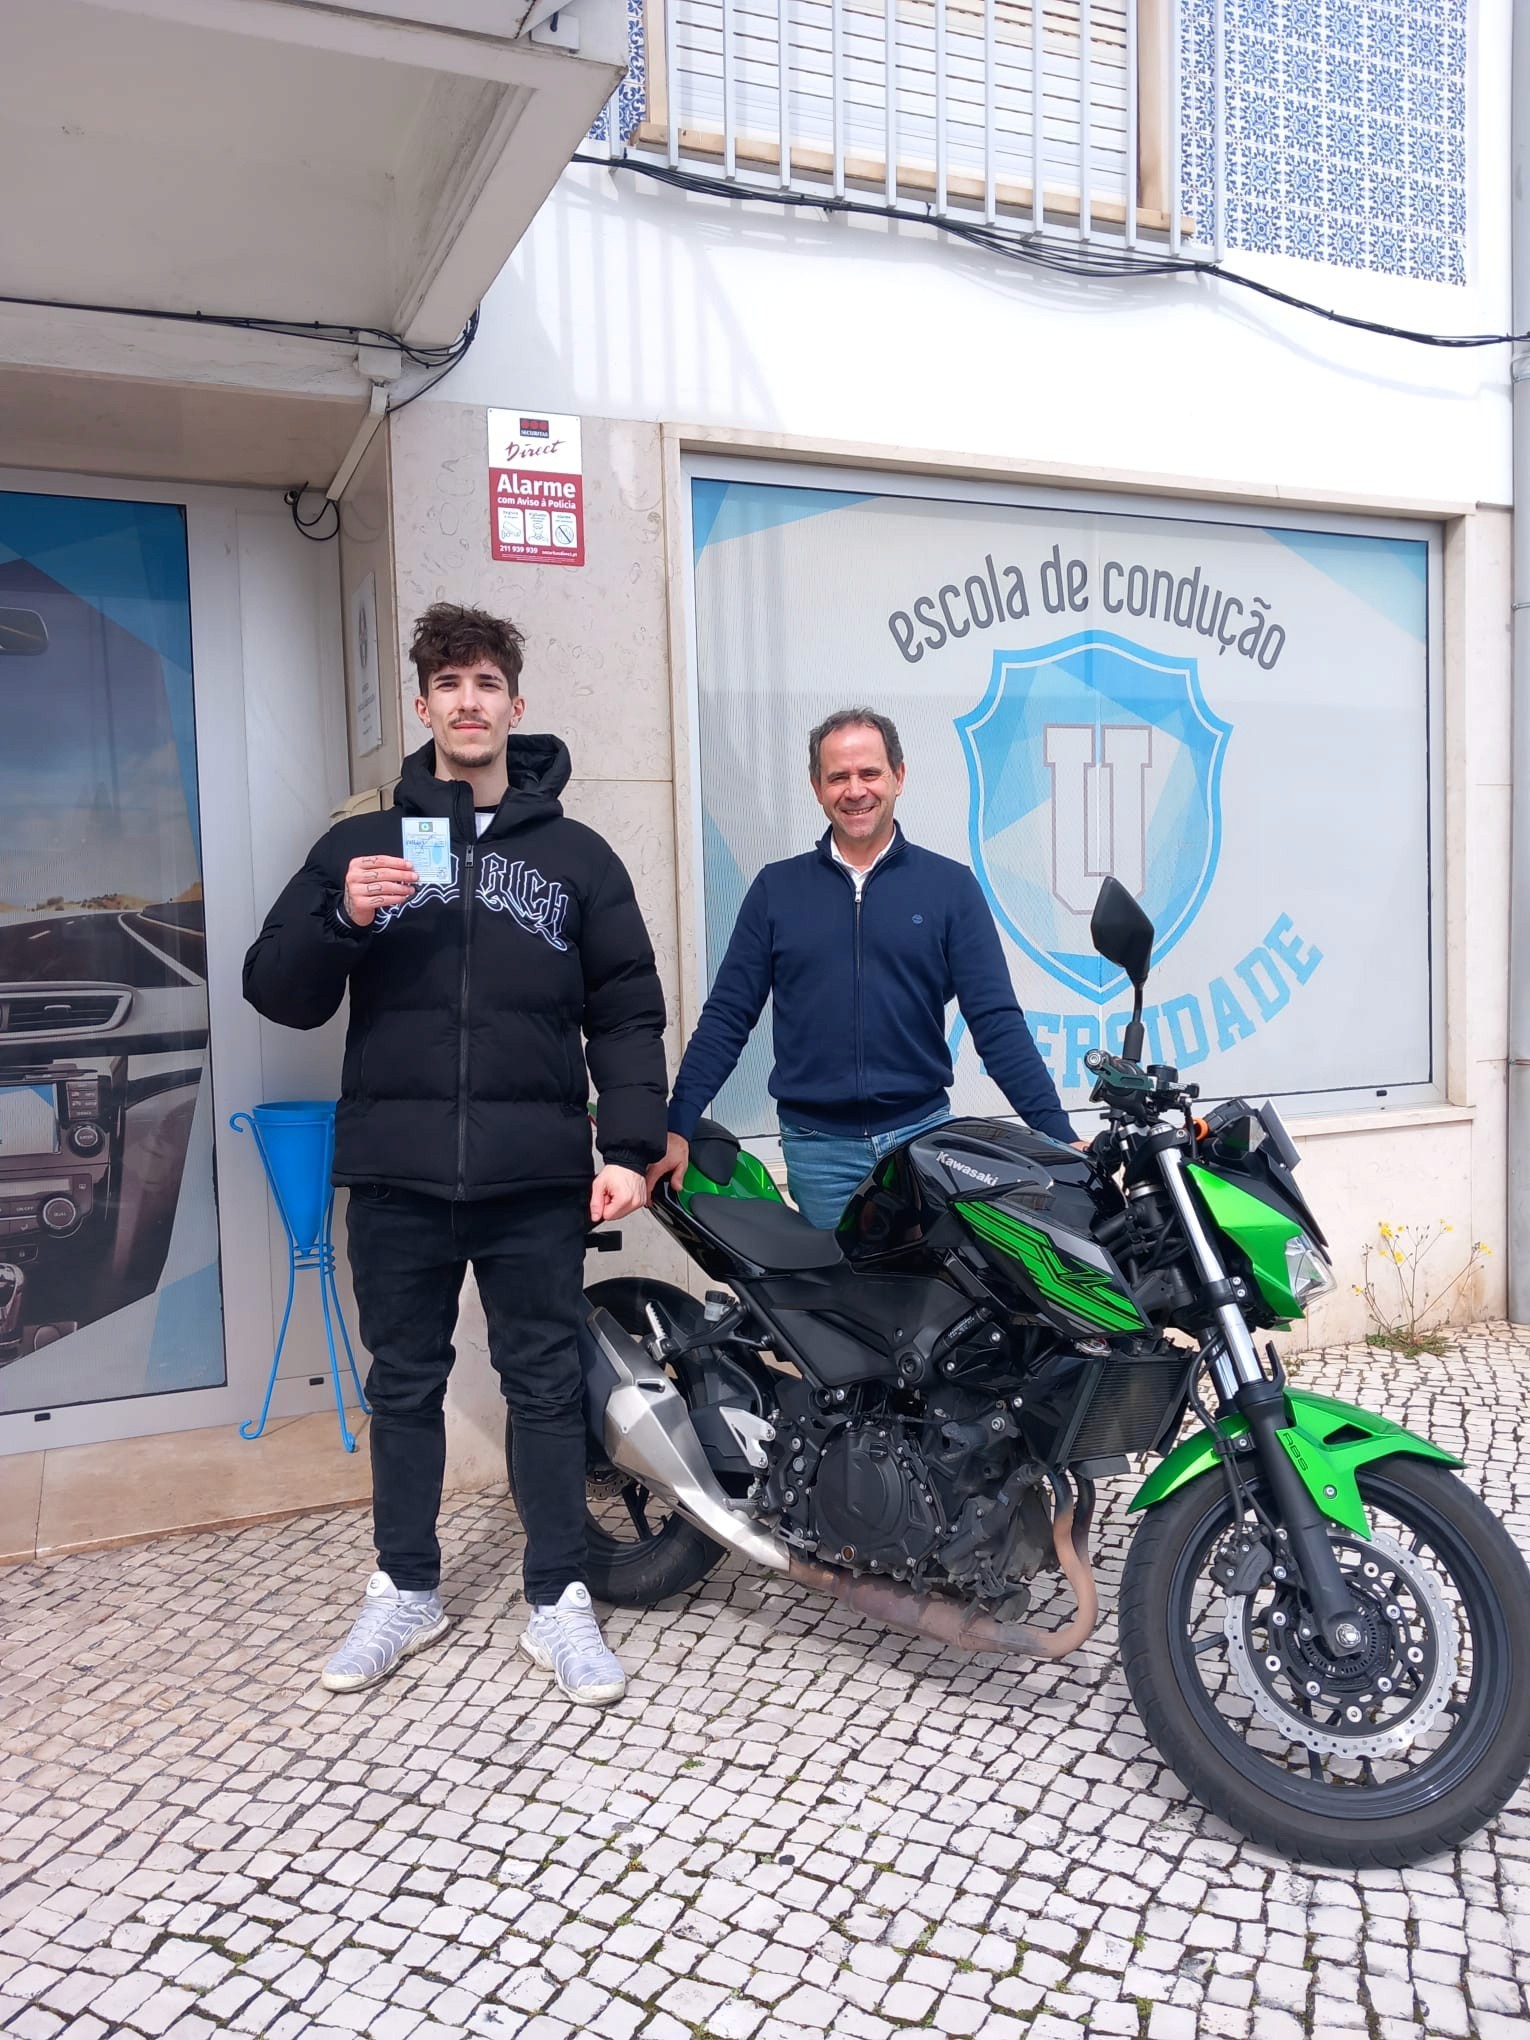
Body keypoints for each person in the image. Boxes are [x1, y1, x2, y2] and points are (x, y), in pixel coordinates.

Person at [243, 602, 666, 1706]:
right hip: (398, 1172)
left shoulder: (578, 857)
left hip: (535, 1174)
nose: (468, 702)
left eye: (486, 684)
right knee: (403, 1388)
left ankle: (558, 1600)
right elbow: (276, 990)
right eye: (448, 684)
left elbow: (627, 1010)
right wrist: (340, 919)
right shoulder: (360, 848)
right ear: (424, 705)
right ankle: (406, 1587)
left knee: (544, 1387)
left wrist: (627, 1147)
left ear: (516, 706)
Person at [651, 706, 1079, 1225]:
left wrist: (1058, 1135)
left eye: (870, 773)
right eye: (839, 777)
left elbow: (995, 1022)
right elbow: (727, 1017)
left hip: (921, 1141)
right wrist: (678, 1122)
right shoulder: (776, 890)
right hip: (818, 1151)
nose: (855, 790)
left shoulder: (950, 888)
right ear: (817, 787)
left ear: (898, 776)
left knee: (935, 1280)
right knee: (837, 1279)